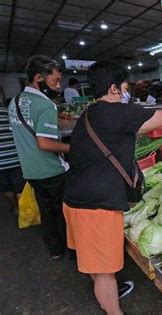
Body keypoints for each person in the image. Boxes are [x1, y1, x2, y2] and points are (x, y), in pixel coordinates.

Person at [63, 61, 162, 315]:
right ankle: (113, 308)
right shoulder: (116, 112)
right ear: (113, 88)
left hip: (75, 199)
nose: (126, 93)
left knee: (95, 265)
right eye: (124, 88)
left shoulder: (89, 114)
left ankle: (106, 291)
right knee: (104, 272)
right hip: (95, 208)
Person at [8, 55, 70, 260]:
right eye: (55, 80)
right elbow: (44, 143)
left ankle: (55, 251)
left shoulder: (14, 103)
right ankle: (71, 250)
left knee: (46, 211)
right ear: (39, 78)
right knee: (63, 212)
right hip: (51, 169)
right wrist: (72, 148)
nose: (59, 86)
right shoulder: (45, 106)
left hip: (30, 170)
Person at [0, 101, 25, 216]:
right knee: (19, 186)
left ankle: (15, 209)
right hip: (15, 156)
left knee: (6, 187)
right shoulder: (8, 112)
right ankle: (24, 211)